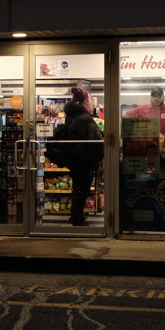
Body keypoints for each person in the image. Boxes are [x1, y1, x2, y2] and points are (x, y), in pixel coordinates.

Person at [63, 87, 104, 226]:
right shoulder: (85, 118)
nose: (92, 104)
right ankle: (77, 218)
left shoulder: (71, 117)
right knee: (82, 189)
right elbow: (96, 140)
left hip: (75, 159)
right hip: (84, 159)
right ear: (85, 102)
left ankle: (75, 215)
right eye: (90, 101)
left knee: (77, 188)